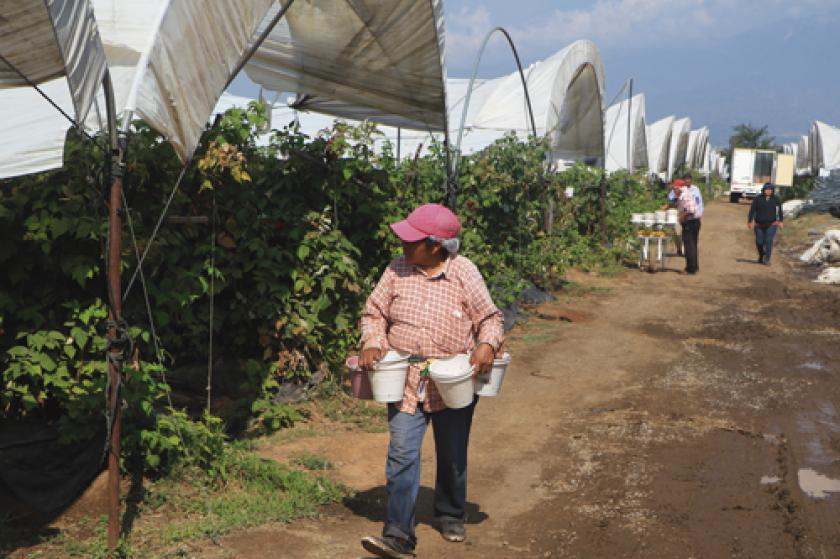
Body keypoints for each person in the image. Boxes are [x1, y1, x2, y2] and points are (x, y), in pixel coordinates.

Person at [359, 203, 504, 559]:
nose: (404, 246)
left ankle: (451, 511)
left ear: (436, 246)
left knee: (452, 452)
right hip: (405, 379)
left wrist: (486, 344)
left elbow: (491, 318)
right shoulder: (397, 269)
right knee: (401, 454)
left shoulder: (464, 273)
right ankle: (398, 537)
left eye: (412, 241)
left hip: (453, 379)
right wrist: (373, 342)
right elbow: (374, 313)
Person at [748, 183, 784, 265]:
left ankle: (767, 258)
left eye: (770, 190)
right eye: (766, 189)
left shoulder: (776, 199)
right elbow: (752, 210)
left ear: (772, 191)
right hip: (759, 225)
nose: (768, 191)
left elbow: (779, 211)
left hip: (772, 224)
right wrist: (749, 221)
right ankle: (761, 255)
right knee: (759, 242)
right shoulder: (758, 199)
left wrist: (780, 221)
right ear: (763, 190)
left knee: (768, 240)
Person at [677, 176, 704, 274]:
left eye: (675, 189)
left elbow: (691, 209)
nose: (674, 191)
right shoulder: (684, 194)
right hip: (694, 221)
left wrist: (682, 217)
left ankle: (690, 269)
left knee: (689, 246)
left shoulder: (685, 195)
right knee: (693, 245)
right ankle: (694, 267)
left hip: (690, 222)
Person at [666, 180, 686, 256]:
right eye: (674, 188)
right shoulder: (672, 194)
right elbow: (671, 204)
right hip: (675, 214)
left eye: (676, 188)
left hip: (685, 215)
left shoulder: (685, 194)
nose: (674, 189)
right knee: (675, 232)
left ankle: (684, 249)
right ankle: (679, 249)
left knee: (682, 233)